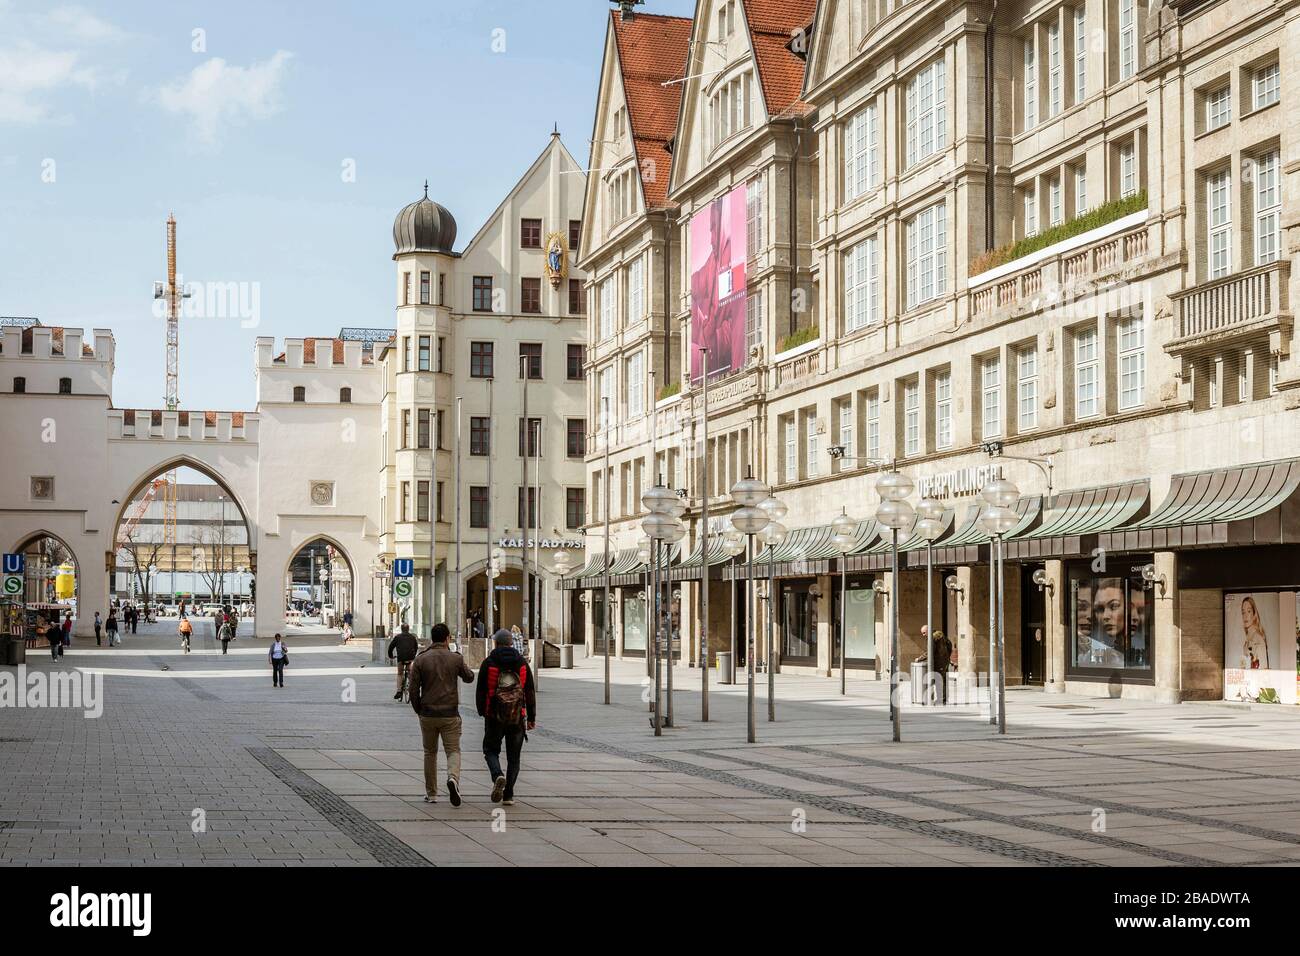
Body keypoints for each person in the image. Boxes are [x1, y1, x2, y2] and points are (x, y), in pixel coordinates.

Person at [408, 622, 475, 805]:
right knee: (453, 750)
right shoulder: (455, 658)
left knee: (430, 752)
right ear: (447, 638)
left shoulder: (421, 659)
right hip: (450, 714)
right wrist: (461, 661)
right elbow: (469, 677)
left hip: (428, 713)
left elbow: (413, 689)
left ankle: (432, 793)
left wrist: (418, 709)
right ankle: (453, 778)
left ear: (432, 638)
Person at [476, 629, 536, 806]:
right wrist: (531, 716)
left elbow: (481, 690)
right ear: (511, 643)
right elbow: (529, 691)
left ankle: (497, 775)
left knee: (490, 750)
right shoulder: (522, 663)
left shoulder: (489, 663)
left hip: (494, 715)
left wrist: (482, 711)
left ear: (496, 643)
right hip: (517, 716)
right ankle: (508, 794)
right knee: (514, 757)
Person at [388, 623, 419, 700]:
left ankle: (399, 691)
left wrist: (391, 656)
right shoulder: (412, 637)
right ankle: (412, 687)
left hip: (401, 658)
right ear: (408, 629)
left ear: (401, 629)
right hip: (410, 658)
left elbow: (391, 647)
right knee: (410, 672)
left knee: (400, 673)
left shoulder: (397, 637)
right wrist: (413, 656)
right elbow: (416, 647)